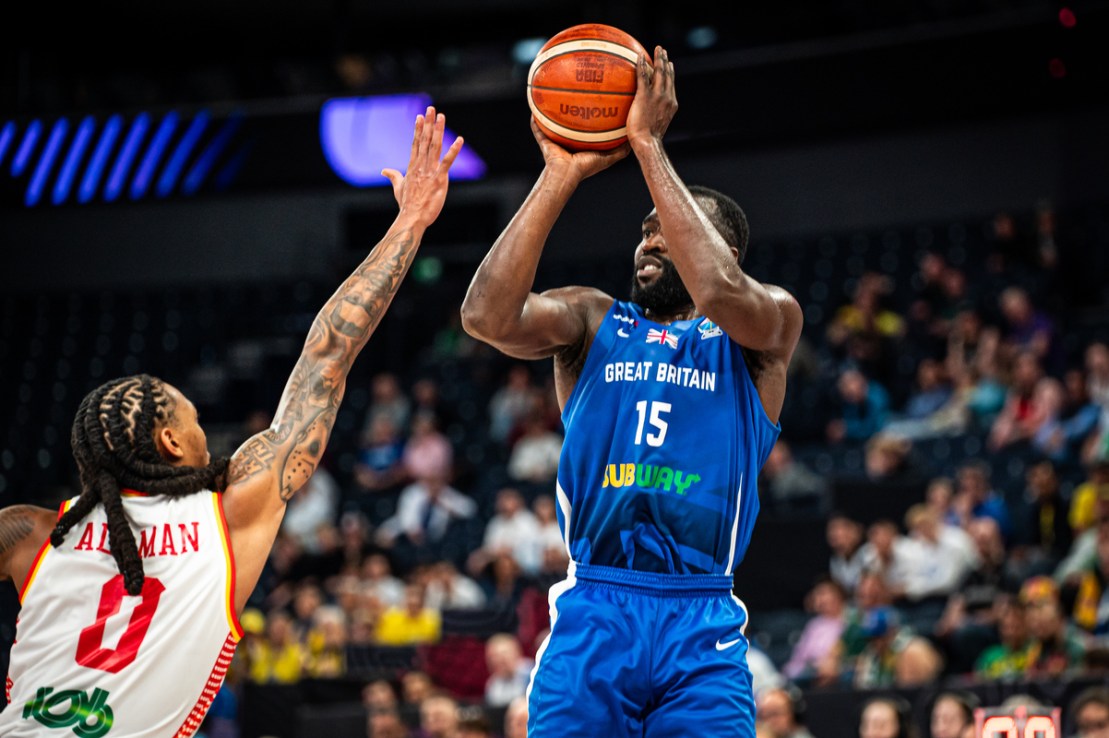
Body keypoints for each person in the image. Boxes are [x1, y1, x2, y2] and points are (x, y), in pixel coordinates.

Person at [0, 108, 464, 734]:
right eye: (194, 418)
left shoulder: (31, 533)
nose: (204, 432)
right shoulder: (230, 515)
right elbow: (327, 355)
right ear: (171, 441)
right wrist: (410, 223)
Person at [460, 45, 803, 738]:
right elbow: (485, 317)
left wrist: (647, 145)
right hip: (595, 607)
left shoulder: (764, 325)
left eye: (666, 229)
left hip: (700, 618)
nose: (649, 242)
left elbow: (718, 292)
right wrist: (558, 175)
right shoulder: (591, 319)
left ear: (724, 250)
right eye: (644, 232)